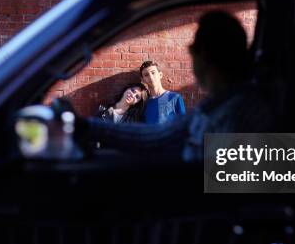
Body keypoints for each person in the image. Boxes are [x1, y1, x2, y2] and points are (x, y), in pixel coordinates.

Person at [63, 10, 276, 162]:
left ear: (202, 55)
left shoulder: (244, 110)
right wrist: (85, 127)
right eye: (146, 75)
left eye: (193, 49)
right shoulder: (215, 105)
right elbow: (158, 135)